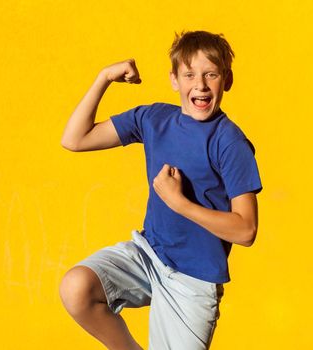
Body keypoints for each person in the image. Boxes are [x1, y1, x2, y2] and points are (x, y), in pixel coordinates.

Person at [59, 30, 262, 350]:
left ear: (227, 80)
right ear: (174, 80)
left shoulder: (229, 142)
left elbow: (246, 230)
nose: (201, 85)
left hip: (193, 280)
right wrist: (104, 78)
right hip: (149, 254)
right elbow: (75, 139)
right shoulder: (153, 119)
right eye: (190, 74)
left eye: (211, 74)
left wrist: (178, 202)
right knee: (76, 287)